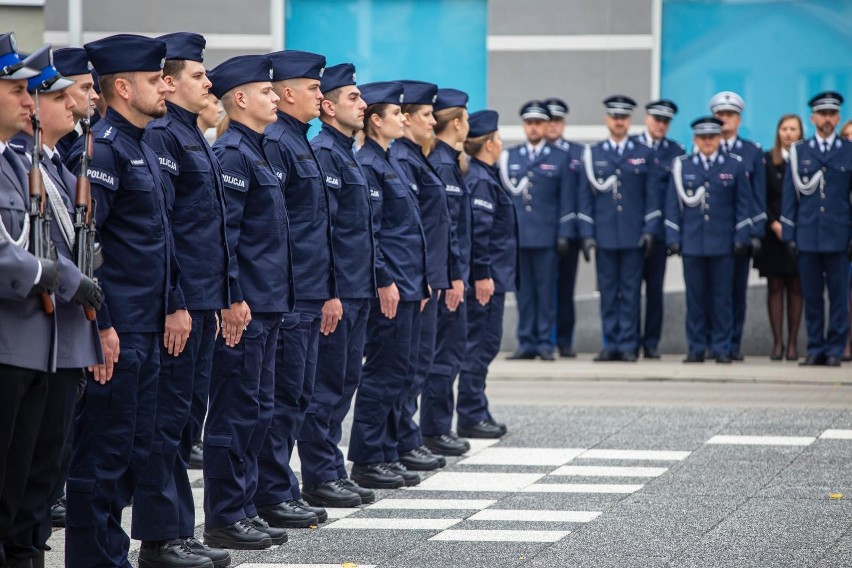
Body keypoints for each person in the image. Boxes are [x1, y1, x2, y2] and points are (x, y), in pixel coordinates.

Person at [64, 34, 177, 568]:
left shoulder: (143, 145)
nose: (166, 86)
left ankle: (112, 553)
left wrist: (173, 303)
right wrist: (101, 324)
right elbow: (89, 247)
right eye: (156, 80)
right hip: (119, 329)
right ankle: (94, 559)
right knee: (103, 453)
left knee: (134, 450)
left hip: (147, 325)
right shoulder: (104, 148)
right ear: (124, 87)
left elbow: (159, 238)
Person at [133, 32, 231, 568]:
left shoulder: (192, 136)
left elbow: (214, 232)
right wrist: (177, 301)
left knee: (183, 421)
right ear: (168, 84)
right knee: (166, 425)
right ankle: (159, 539)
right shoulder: (164, 137)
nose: (208, 82)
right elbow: (164, 230)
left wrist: (220, 299)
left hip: (201, 304)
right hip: (180, 307)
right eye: (198, 75)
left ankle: (178, 530)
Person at [1, 41, 97, 568]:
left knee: (38, 473)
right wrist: (57, 277)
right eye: (17, 90)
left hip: (49, 343)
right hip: (17, 339)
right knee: (13, 476)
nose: (28, 101)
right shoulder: (17, 161)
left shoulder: (35, 165)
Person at [203, 54, 289, 548]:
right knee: (236, 411)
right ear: (240, 99)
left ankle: (244, 506)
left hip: (268, 303)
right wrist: (232, 296)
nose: (275, 98)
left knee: (257, 410)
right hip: (247, 307)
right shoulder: (233, 152)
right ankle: (224, 515)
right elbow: (226, 237)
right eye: (266, 92)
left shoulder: (255, 150)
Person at [258, 49, 335, 529]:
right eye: (313, 88)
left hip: (306, 290)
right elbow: (276, 230)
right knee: (281, 398)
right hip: (289, 295)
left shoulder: (298, 140)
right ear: (289, 93)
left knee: (296, 395)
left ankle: (279, 488)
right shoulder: (279, 142)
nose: (320, 95)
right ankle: (273, 492)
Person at [298, 63, 377, 508]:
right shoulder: (324, 151)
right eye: (352, 98)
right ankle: (319, 473)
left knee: (345, 381)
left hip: (356, 287)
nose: (362, 105)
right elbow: (322, 230)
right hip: (339, 291)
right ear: (327, 107)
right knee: (326, 386)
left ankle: (330, 466)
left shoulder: (346, 152)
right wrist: (330, 291)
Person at [349, 81, 428, 489]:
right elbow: (373, 233)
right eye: (396, 114)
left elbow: (411, 231)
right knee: (382, 373)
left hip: (409, 283)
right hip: (392, 285)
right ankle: (367, 457)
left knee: (399, 373)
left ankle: (386, 450)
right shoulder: (368, 164)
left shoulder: (391, 161)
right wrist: (386, 279)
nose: (404, 119)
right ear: (375, 121)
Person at [391, 79, 456, 472]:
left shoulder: (415, 157)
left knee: (416, 365)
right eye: (425, 115)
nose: (432, 122)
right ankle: (400, 441)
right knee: (403, 368)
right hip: (411, 279)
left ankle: (405, 438)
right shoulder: (400, 158)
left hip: (423, 278)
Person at [578, 96, 659, 362]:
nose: (619, 122)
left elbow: (651, 196)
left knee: (631, 293)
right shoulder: (594, 154)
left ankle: (628, 344)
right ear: (607, 120)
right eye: (615, 117)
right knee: (609, 293)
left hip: (633, 235)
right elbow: (585, 198)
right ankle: (610, 343)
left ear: (629, 121)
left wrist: (649, 229)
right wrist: (588, 235)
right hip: (604, 236)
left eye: (624, 117)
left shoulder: (643, 152)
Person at [665, 117, 752, 363]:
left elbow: (743, 205)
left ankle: (722, 347)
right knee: (695, 299)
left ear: (719, 139)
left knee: (722, 299)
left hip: (723, 244)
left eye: (711, 137)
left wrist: (741, 237)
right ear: (695, 139)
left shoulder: (734, 165)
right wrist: (673, 237)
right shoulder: (683, 166)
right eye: (702, 138)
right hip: (692, 243)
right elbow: (672, 205)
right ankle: (696, 347)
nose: (707, 142)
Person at [458, 110, 518, 438]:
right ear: (490, 144)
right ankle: (470, 414)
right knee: (480, 345)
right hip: (486, 279)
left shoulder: (483, 175)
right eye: (498, 139)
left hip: (492, 276)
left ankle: (476, 408)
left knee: (483, 344)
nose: (501, 143)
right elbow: (479, 234)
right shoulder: (480, 179)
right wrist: (482, 274)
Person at [781, 92, 852, 367]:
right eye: (821, 114)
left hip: (838, 236)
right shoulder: (800, 152)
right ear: (812, 118)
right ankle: (814, 347)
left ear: (837, 118)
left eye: (831, 114)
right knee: (811, 295)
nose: (826, 119)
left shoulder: (848, 150)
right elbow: (790, 196)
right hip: (808, 235)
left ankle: (834, 349)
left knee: (838, 297)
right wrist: (789, 235)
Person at [420, 88, 473, 456]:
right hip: (446, 277)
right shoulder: (440, 162)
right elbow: (443, 228)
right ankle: (435, 428)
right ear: (456, 123)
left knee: (448, 353)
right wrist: (453, 275)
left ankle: (438, 426)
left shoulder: (448, 161)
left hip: (453, 274)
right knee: (443, 355)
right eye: (466, 118)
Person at [499, 100, 573, 360]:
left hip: (546, 237)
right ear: (524, 126)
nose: (533, 128)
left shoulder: (559, 158)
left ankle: (545, 342)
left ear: (545, 126)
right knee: (524, 293)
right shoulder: (511, 157)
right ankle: (526, 342)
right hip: (518, 238)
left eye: (538, 123)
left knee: (546, 292)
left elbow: (567, 199)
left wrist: (564, 233)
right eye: (529, 123)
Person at [709, 91, 766, 360]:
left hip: (740, 234)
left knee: (735, 291)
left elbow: (758, 195)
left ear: (739, 120)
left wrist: (755, 232)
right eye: (720, 115)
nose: (724, 120)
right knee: (711, 292)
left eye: (729, 115)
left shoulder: (751, 152)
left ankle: (733, 343)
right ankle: (713, 342)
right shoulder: (705, 147)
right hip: (712, 235)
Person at [630, 100, 685, 358]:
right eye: (657, 120)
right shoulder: (632, 146)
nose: (661, 125)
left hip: (661, 233)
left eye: (666, 121)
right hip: (632, 232)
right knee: (629, 289)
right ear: (647, 119)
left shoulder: (676, 151)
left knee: (654, 291)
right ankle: (629, 340)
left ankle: (651, 342)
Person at [752, 114, 803, 361]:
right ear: (778, 132)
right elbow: (759, 195)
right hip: (772, 233)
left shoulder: (807, 160)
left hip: (799, 233)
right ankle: (777, 343)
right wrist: (773, 222)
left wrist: (793, 225)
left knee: (795, 286)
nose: (789, 133)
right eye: (784, 128)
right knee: (775, 286)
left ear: (800, 133)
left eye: (793, 129)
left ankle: (793, 343)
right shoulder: (766, 161)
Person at [543, 97, 583, 358]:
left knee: (566, 289)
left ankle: (565, 339)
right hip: (543, 233)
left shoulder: (578, 153)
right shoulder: (532, 153)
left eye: (558, 120)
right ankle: (545, 338)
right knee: (543, 289)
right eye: (550, 120)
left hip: (571, 232)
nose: (554, 125)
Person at [53, 47, 100, 160]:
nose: (95, 96)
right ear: (61, 90)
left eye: (92, 87)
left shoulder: (70, 139)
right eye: (86, 88)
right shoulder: (51, 142)